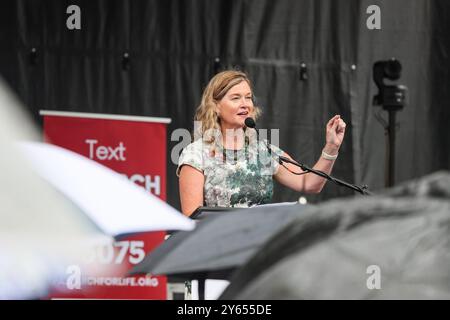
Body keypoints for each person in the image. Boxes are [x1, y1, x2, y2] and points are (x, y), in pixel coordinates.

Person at [177, 70, 346, 216]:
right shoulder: (196, 153)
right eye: (235, 98)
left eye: (248, 97)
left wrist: (331, 147)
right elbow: (193, 217)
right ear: (215, 107)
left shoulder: (263, 151)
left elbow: (309, 183)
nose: (245, 104)